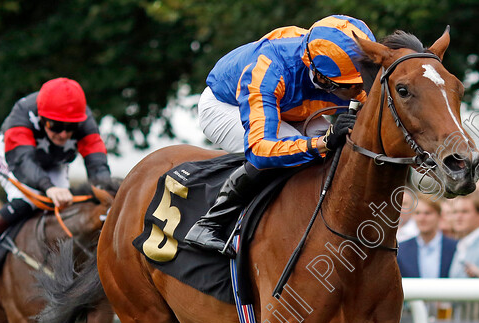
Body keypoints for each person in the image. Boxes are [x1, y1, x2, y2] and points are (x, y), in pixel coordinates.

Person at [185, 15, 375, 252]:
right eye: (355, 86)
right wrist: (323, 142)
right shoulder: (269, 69)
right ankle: (210, 223)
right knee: (295, 155)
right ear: (322, 78)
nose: (362, 91)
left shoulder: (336, 60)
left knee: (341, 149)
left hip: (291, 108)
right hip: (226, 105)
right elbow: (261, 150)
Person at [0, 77, 114, 285]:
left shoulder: (85, 119)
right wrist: (48, 187)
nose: (64, 134)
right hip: (12, 156)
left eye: (71, 128)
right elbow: (23, 162)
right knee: (28, 202)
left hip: (52, 161)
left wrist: (108, 194)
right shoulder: (22, 113)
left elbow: (97, 164)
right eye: (56, 126)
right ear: (41, 117)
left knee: (64, 208)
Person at [397, 197, 457, 278]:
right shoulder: (401, 250)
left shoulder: (455, 247)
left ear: (439, 215)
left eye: (427, 213)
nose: (422, 218)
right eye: (417, 213)